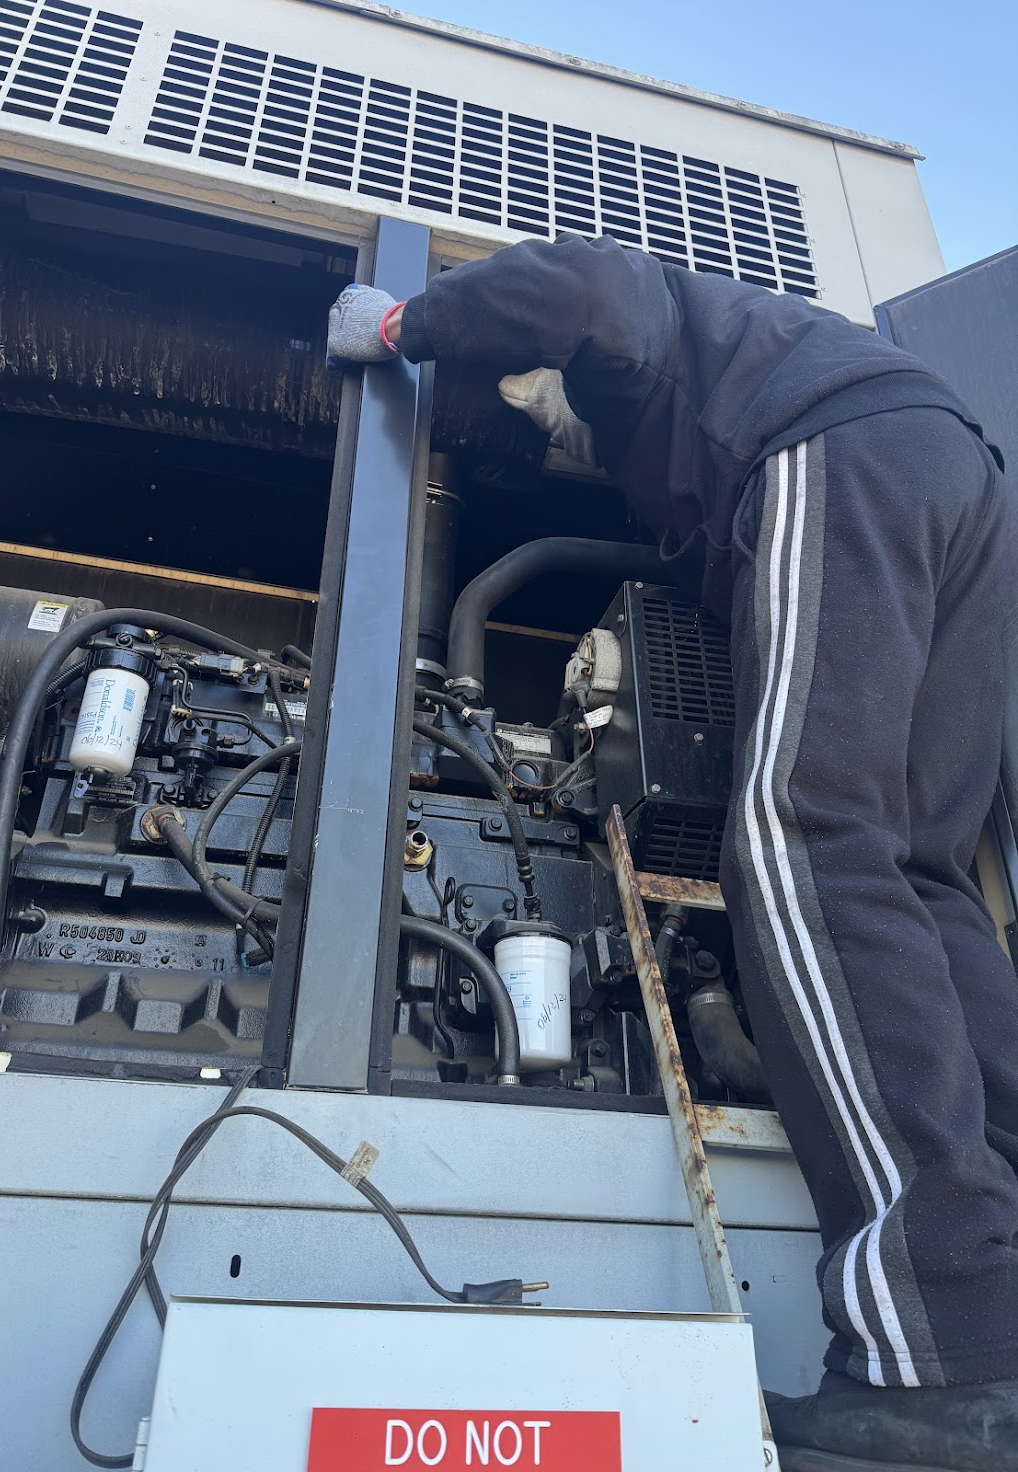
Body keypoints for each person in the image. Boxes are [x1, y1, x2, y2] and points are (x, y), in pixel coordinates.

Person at [326, 234, 1018, 1472]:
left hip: (849, 449)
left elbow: (576, 284)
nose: (543, 433)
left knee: (806, 836)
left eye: (529, 406)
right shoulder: (695, 417)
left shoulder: (674, 344)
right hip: (964, 480)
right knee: (922, 871)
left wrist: (398, 330)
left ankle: (942, 1347)